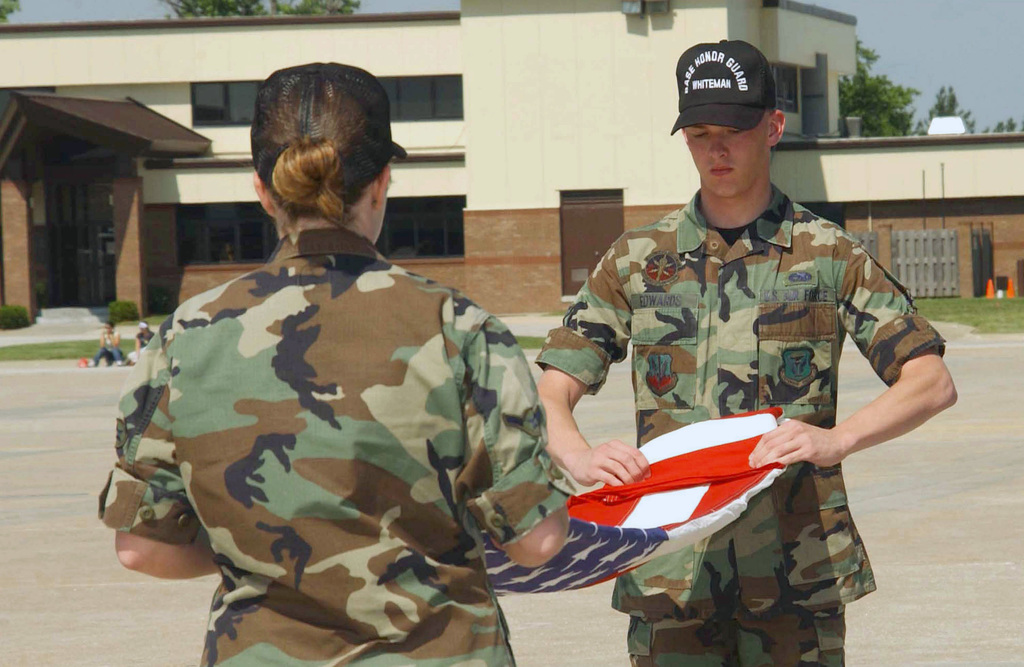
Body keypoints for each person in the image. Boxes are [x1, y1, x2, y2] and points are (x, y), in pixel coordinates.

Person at [98, 62, 570, 666]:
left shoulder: (185, 337)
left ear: (263, 190)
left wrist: (263, 558)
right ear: (381, 183)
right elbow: (537, 539)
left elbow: (143, 549)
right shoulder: (459, 327)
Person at [536, 40, 956, 666]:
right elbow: (551, 385)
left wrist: (834, 441)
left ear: (774, 128)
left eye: (733, 129)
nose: (717, 149)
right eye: (700, 133)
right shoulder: (637, 260)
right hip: (671, 573)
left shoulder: (829, 255)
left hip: (793, 574)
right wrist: (575, 450)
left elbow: (929, 381)